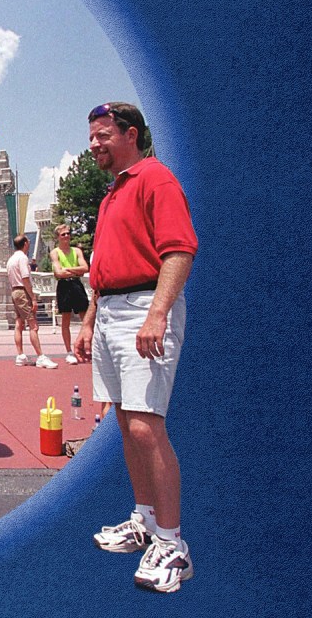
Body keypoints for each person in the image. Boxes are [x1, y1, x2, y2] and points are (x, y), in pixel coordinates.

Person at [73, 102, 198, 593]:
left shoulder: (155, 178)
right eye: (91, 137)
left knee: (147, 425)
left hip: (143, 305)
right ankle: (144, 519)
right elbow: (103, 267)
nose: (94, 145)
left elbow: (179, 249)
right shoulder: (113, 192)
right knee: (125, 421)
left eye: (103, 135)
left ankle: (172, 544)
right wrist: (89, 320)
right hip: (110, 310)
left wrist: (157, 314)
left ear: (131, 134)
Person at [7, 234, 58, 369]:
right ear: (25, 244)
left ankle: (21, 355)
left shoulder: (11, 259)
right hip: (23, 291)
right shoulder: (23, 258)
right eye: (28, 242)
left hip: (14, 291)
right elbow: (25, 278)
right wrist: (33, 298)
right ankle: (40, 356)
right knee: (33, 325)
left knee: (19, 323)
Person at [50, 223, 90, 365]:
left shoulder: (77, 251)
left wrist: (68, 269)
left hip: (76, 285)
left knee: (85, 317)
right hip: (64, 286)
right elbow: (58, 272)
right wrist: (75, 270)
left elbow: (85, 268)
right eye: (63, 234)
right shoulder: (55, 252)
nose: (66, 236)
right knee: (65, 319)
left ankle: (87, 347)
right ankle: (68, 351)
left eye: (68, 233)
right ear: (58, 237)